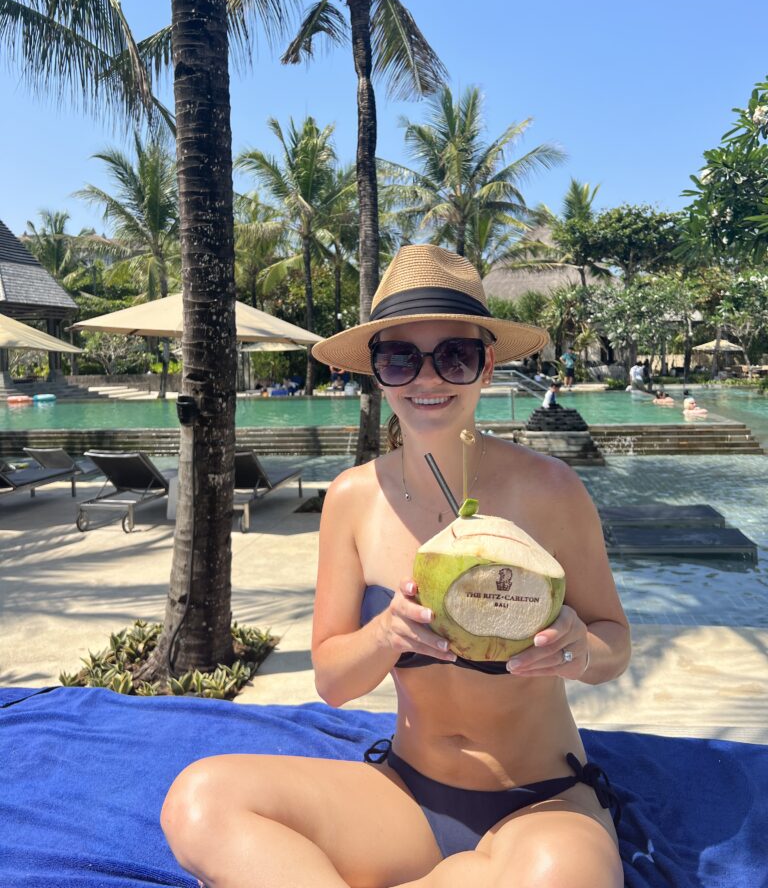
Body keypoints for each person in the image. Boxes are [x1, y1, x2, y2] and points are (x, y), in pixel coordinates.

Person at [161, 245, 630, 888]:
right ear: (378, 372)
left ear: (486, 366)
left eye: (455, 356)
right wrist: (388, 634)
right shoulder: (352, 499)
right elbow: (332, 680)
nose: (427, 379)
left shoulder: (551, 491)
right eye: (401, 357)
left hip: (540, 802)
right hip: (405, 796)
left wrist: (577, 649)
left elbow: (615, 643)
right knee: (201, 797)